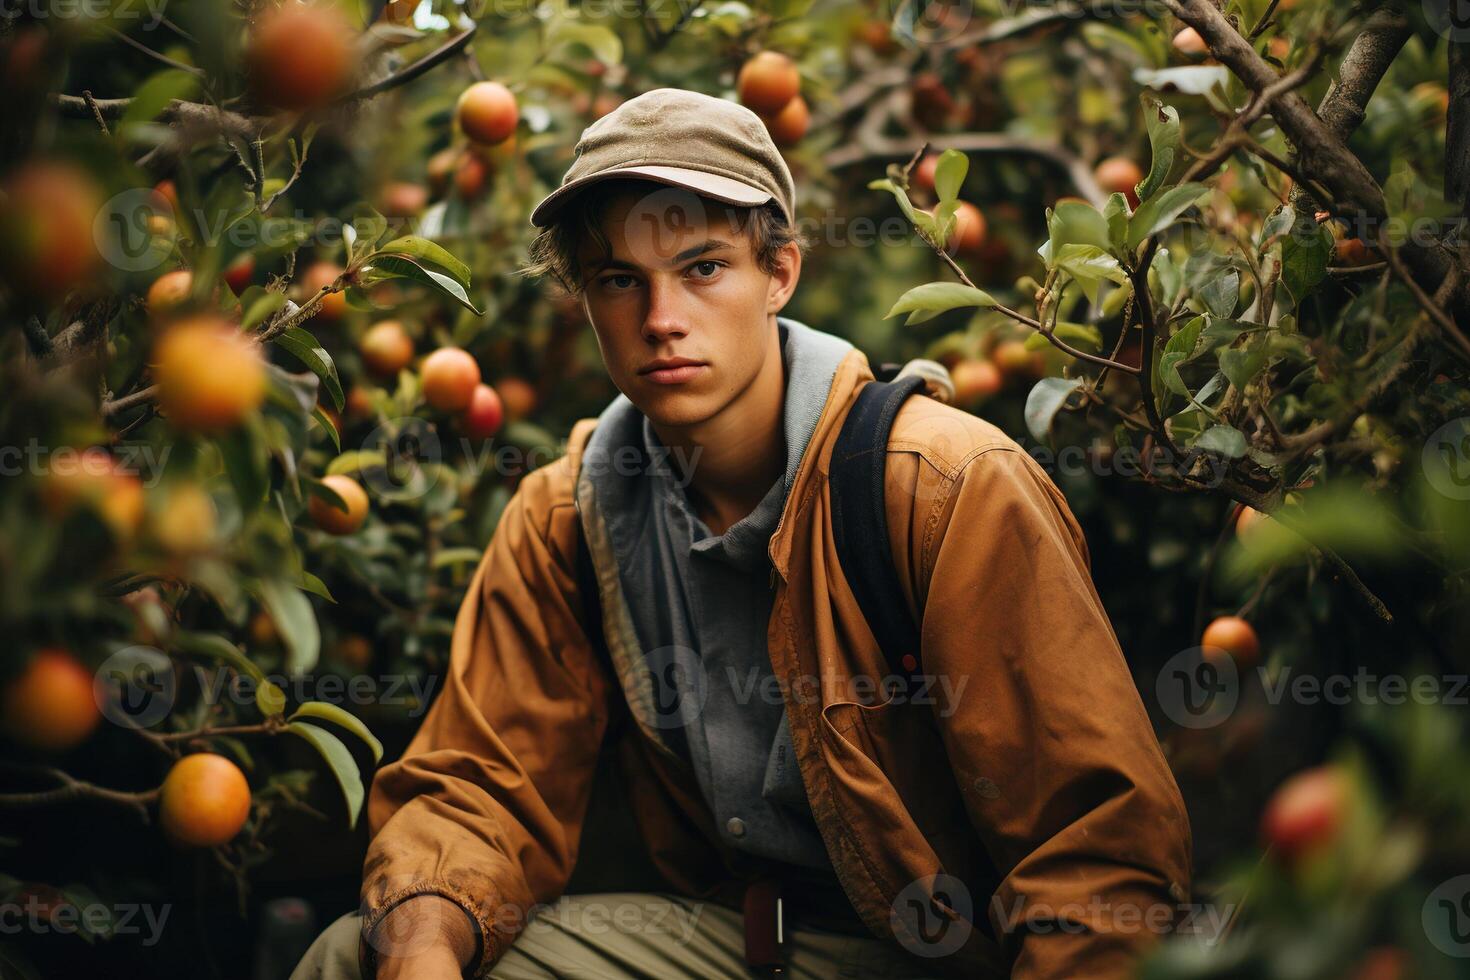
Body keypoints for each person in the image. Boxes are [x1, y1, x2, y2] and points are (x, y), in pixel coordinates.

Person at [292, 87, 1192, 980]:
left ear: (780, 273)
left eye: (704, 267)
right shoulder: (570, 517)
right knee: (357, 955)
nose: (661, 319)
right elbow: (478, 787)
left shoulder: (943, 488)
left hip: (952, 957)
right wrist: (422, 946)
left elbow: (1095, 852)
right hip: (743, 950)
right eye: (618, 280)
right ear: (586, 298)